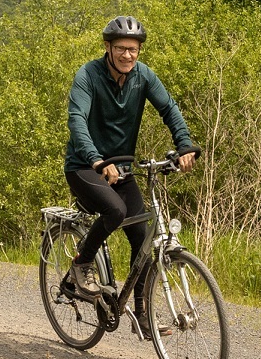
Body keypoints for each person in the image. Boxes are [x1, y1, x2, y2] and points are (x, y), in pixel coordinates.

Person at [62, 16, 197, 299]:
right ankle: (82, 263)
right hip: (86, 166)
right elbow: (77, 122)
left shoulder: (143, 76)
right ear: (108, 47)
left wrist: (184, 145)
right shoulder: (88, 76)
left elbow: (169, 109)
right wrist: (97, 160)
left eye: (133, 49)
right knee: (116, 211)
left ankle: (142, 311)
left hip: (121, 168)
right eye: (121, 48)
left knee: (142, 240)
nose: (127, 55)